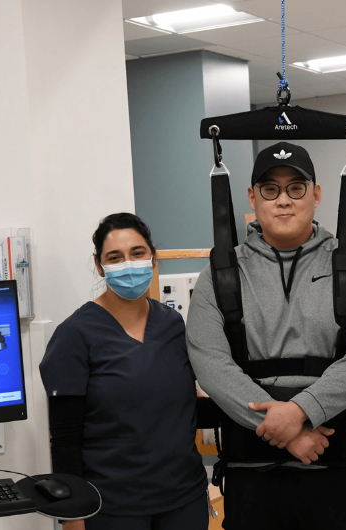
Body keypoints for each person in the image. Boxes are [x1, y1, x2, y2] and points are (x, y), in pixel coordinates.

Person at [187, 142, 346, 529]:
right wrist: (285, 432)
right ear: (251, 197)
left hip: (334, 468)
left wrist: (300, 411)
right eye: (270, 189)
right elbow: (210, 361)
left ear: (316, 195)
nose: (283, 200)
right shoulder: (220, 275)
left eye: (296, 188)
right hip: (252, 476)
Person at [39, 213, 208, 530]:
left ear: (153, 257)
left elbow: (178, 408)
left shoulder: (172, 324)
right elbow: (64, 439)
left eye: (137, 253)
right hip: (113, 508)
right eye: (115, 257)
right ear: (100, 265)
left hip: (185, 498)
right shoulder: (74, 336)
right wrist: (71, 516)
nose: (128, 264)